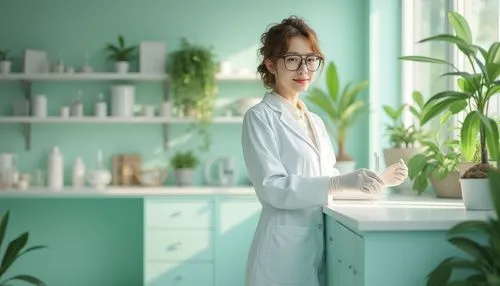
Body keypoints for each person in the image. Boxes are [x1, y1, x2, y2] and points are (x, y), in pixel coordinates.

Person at [241, 16, 408, 286]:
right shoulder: (260, 117)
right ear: (271, 64)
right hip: (280, 253)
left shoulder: (314, 121)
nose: (304, 69)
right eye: (292, 59)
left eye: (311, 59)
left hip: (314, 248)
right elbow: (272, 187)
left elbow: (328, 182)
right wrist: (340, 181)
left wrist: (377, 181)